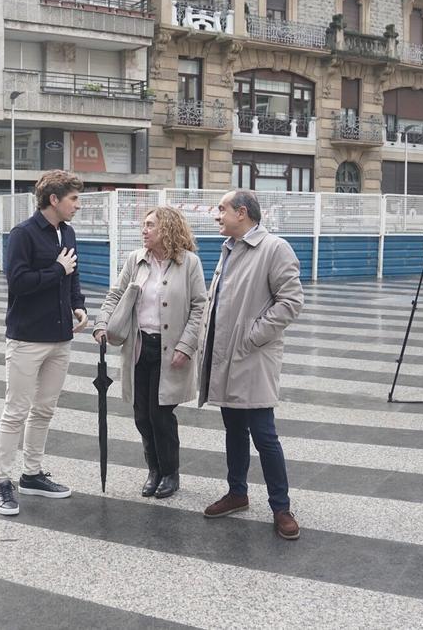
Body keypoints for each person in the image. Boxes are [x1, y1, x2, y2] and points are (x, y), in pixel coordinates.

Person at [195, 190, 304, 540]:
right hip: (227, 358)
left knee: (265, 435)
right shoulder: (229, 250)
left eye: (222, 209)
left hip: (252, 358)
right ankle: (237, 492)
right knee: (234, 431)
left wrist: (252, 336)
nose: (217, 215)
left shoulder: (274, 248)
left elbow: (290, 301)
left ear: (242, 213)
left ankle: (281, 506)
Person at [93, 206, 206, 499]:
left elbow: (199, 306)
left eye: (150, 225)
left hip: (171, 350)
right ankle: (153, 470)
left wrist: (186, 345)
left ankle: (170, 472)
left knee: (160, 415)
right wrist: (101, 324)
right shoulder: (136, 260)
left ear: (167, 229)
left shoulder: (189, 263)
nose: (143, 230)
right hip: (139, 346)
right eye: (143, 225)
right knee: (141, 414)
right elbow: (115, 295)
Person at [0, 170, 87, 516]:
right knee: (15, 411)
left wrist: (79, 305)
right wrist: (56, 272)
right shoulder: (23, 234)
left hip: (60, 338)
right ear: (54, 200)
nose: (78, 205)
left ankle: (31, 474)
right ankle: (3, 482)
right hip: (27, 338)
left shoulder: (69, 232)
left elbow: (72, 274)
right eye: (73, 199)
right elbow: (18, 283)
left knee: (44, 410)